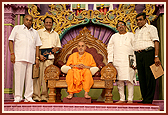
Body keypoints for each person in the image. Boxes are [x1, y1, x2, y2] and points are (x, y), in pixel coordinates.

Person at [9, 15, 42, 102]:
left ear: (32, 22)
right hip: (19, 57)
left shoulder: (35, 32)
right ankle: (18, 96)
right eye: (27, 20)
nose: (28, 21)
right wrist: (12, 53)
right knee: (19, 78)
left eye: (30, 20)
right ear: (24, 20)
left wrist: (37, 57)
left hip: (30, 58)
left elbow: (37, 45)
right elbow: (10, 41)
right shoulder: (17, 28)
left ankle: (28, 97)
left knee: (29, 79)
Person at [133, 13, 161, 104]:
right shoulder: (137, 30)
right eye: (137, 20)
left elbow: (156, 42)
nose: (139, 21)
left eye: (140, 19)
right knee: (142, 77)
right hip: (139, 54)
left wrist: (156, 56)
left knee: (150, 77)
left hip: (149, 53)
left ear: (145, 20)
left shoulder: (151, 28)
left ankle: (149, 99)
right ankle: (144, 98)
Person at [33, 16, 61, 102]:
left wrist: (55, 49)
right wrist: (38, 56)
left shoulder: (55, 34)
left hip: (50, 58)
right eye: (47, 22)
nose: (48, 24)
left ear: (52, 24)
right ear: (44, 23)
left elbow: (58, 46)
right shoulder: (39, 32)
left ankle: (44, 96)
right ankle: (36, 96)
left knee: (47, 77)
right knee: (37, 77)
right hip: (39, 56)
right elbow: (34, 45)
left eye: (50, 22)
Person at [107, 21, 136, 103]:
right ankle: (122, 99)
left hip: (129, 60)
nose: (121, 27)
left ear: (126, 26)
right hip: (117, 61)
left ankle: (130, 99)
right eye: (119, 26)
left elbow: (135, 47)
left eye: (122, 25)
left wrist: (134, 62)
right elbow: (110, 49)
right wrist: (110, 61)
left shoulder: (131, 35)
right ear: (117, 28)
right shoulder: (114, 36)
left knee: (129, 80)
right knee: (119, 81)